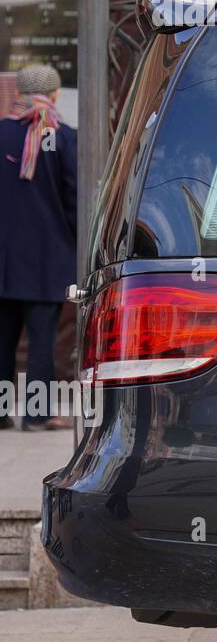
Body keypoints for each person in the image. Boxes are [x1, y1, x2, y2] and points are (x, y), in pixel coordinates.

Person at [0, 64, 77, 430]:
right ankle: (37, 414)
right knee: (42, 340)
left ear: (18, 95)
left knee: (2, 341)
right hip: (47, 257)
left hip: (3, 259)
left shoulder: (1, 133)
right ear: (55, 94)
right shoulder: (63, 137)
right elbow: (74, 199)